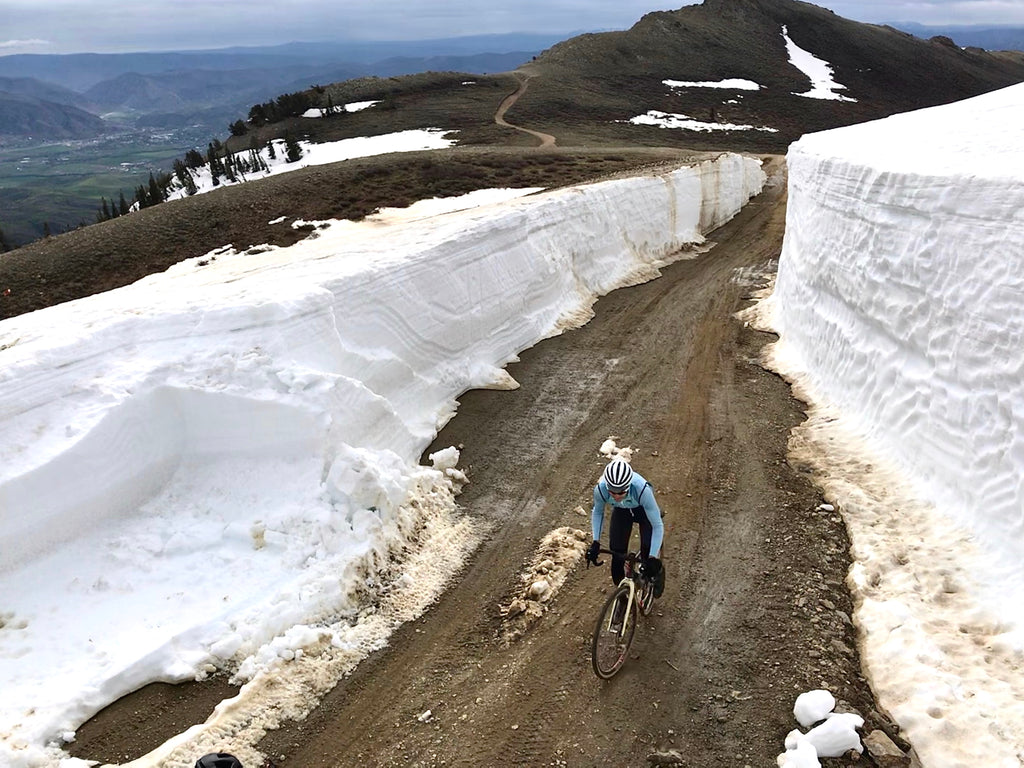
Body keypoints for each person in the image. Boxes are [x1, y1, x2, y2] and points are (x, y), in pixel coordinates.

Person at [587, 458, 665, 597]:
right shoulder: (600, 490)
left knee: (647, 550)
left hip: (643, 511)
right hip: (622, 512)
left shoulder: (642, 490)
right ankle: (622, 600)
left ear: (629, 486)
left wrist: (653, 558)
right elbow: (598, 512)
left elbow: (657, 525)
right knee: (617, 554)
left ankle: (658, 573)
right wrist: (595, 542)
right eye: (612, 492)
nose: (616, 496)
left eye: (621, 493)